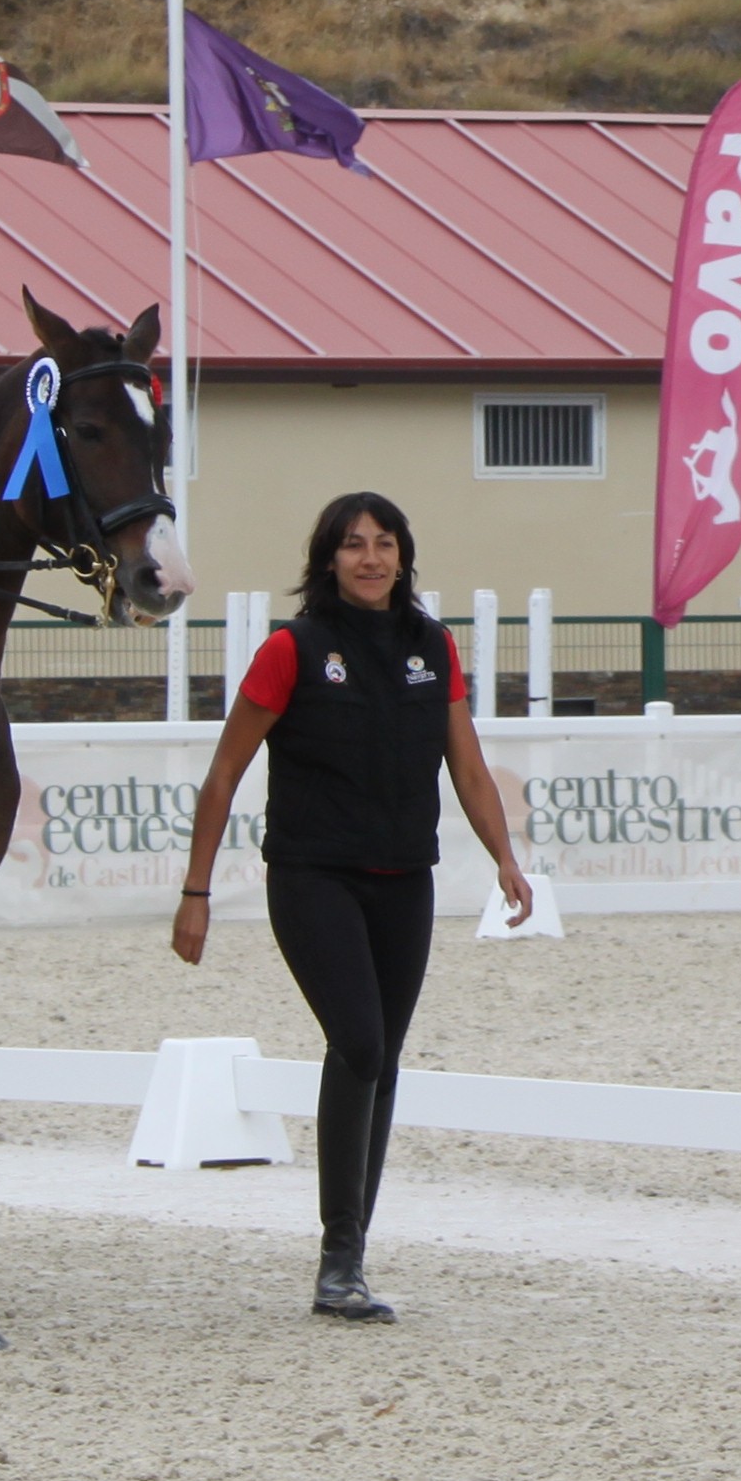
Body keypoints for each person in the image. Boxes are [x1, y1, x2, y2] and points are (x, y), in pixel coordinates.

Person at [174, 491, 535, 1323]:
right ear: (326, 559)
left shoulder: (432, 646)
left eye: (384, 544)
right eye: (352, 546)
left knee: (384, 1060)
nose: (369, 559)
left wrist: (505, 860)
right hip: (312, 876)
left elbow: (469, 770)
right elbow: (224, 774)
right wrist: (195, 893)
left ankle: (352, 1259)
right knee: (360, 1044)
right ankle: (339, 1257)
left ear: (405, 556)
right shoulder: (291, 649)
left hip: (406, 878)